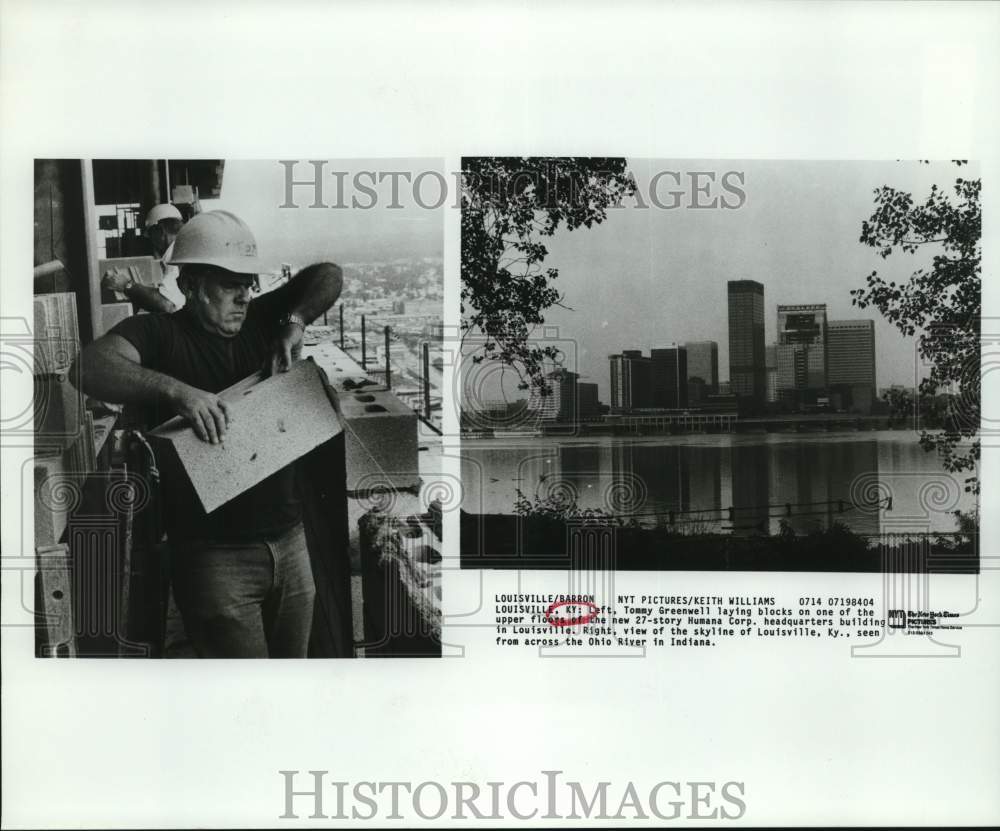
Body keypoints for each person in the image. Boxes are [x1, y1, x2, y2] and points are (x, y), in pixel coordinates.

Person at [74, 210, 344, 658]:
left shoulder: (260, 321)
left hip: (290, 542)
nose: (243, 296)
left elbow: (328, 275)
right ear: (189, 285)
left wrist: (294, 323)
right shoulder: (160, 335)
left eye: (247, 284)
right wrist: (180, 393)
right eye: (228, 284)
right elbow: (87, 368)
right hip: (215, 558)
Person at [102, 203, 186, 313]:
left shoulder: (174, 255)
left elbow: (167, 304)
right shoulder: (184, 247)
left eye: (151, 234)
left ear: (161, 231)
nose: (151, 241)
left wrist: (126, 285)